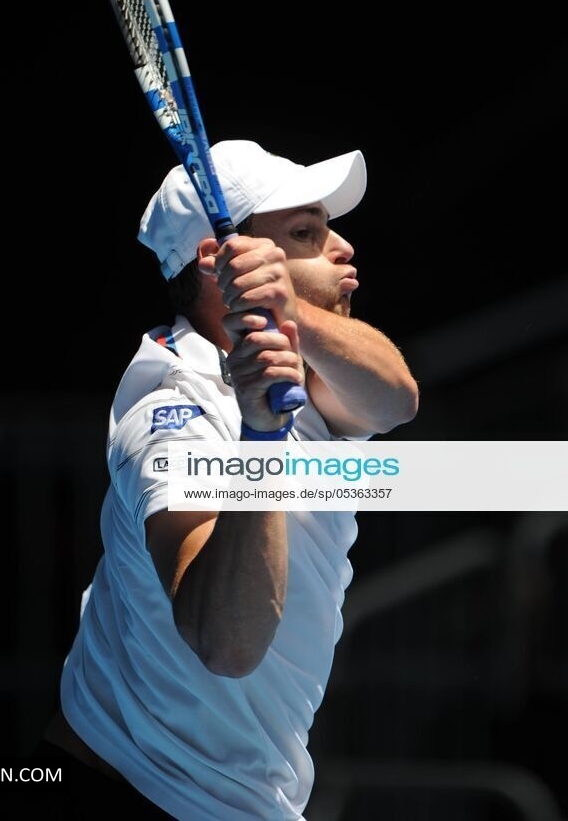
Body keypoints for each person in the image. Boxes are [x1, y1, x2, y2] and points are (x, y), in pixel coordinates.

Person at [37, 139, 419, 819]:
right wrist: (260, 442)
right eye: (304, 233)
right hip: (133, 790)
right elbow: (228, 645)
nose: (342, 248)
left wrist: (292, 311)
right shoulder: (170, 409)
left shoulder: (302, 369)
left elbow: (395, 400)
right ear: (221, 264)